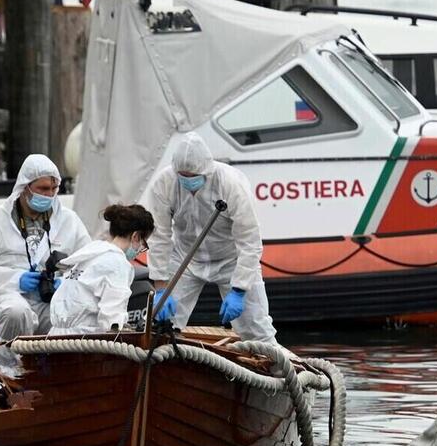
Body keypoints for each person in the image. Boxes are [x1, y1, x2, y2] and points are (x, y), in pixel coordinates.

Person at [146, 133, 277, 343]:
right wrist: (161, 287)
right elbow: (159, 236)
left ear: (206, 170)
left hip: (230, 259)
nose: (188, 180)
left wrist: (240, 289)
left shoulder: (231, 184)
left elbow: (249, 240)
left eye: (193, 175)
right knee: (159, 323)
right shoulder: (164, 183)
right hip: (185, 258)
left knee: (257, 330)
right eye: (183, 175)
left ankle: (279, 372)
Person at [0, 154, 91, 340]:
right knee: (16, 312)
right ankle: (9, 364)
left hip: (48, 300)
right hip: (4, 298)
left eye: (54, 189)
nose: (49, 195)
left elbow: (89, 265)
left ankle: (60, 364)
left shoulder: (69, 221)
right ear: (25, 187)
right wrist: (15, 279)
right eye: (43, 189)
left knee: (82, 316)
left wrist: (66, 282)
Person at [49, 204, 155, 335]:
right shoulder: (118, 264)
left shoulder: (92, 252)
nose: (141, 250)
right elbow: (112, 322)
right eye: (143, 244)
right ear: (136, 237)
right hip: (82, 343)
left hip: (56, 335)